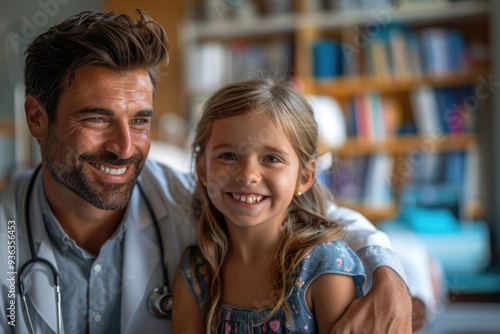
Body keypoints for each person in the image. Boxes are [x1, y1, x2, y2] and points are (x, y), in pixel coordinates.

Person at [0, 9, 412, 334]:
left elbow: (317, 218)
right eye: (96, 119)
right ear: (37, 118)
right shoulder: (7, 231)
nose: (125, 147)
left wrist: (388, 276)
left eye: (140, 121)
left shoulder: (187, 198)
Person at [172, 77, 366, 333]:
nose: (247, 174)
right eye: (228, 156)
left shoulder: (324, 266)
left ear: (304, 177)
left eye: (271, 158)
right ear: (202, 170)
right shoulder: (197, 271)